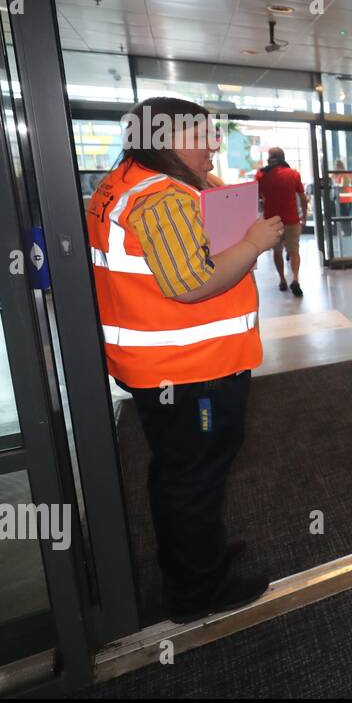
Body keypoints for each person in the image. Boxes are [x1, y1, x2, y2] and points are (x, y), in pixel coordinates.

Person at [86, 97, 283, 621]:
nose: (214, 145)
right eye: (204, 137)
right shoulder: (162, 197)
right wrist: (254, 241)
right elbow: (193, 283)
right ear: (167, 140)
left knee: (177, 472)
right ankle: (199, 590)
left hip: (164, 368)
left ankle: (192, 557)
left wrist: (215, 192)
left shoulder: (122, 183)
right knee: (196, 477)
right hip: (194, 372)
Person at [257, 148, 307, 296]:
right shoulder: (293, 174)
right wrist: (304, 216)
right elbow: (303, 197)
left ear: (270, 158)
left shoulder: (262, 175)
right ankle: (296, 279)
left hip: (272, 222)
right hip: (292, 219)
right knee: (294, 251)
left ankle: (282, 280)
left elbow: (257, 195)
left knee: (277, 251)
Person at [332, 159, 352, 240]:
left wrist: (336, 185)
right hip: (341, 199)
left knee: (346, 216)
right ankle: (345, 231)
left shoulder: (344, 175)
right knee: (343, 216)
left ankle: (347, 232)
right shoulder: (338, 175)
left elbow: (343, 186)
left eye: (337, 165)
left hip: (346, 199)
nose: (336, 167)